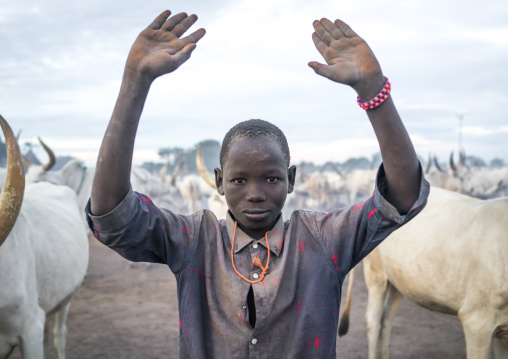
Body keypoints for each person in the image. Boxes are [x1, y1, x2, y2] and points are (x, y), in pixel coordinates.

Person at [88, 10, 429, 358]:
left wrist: (374, 91)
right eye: (239, 180)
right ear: (219, 183)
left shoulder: (324, 239)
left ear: (291, 180)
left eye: (271, 178)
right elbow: (113, 216)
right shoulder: (194, 241)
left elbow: (403, 196)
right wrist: (135, 83)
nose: (255, 193)